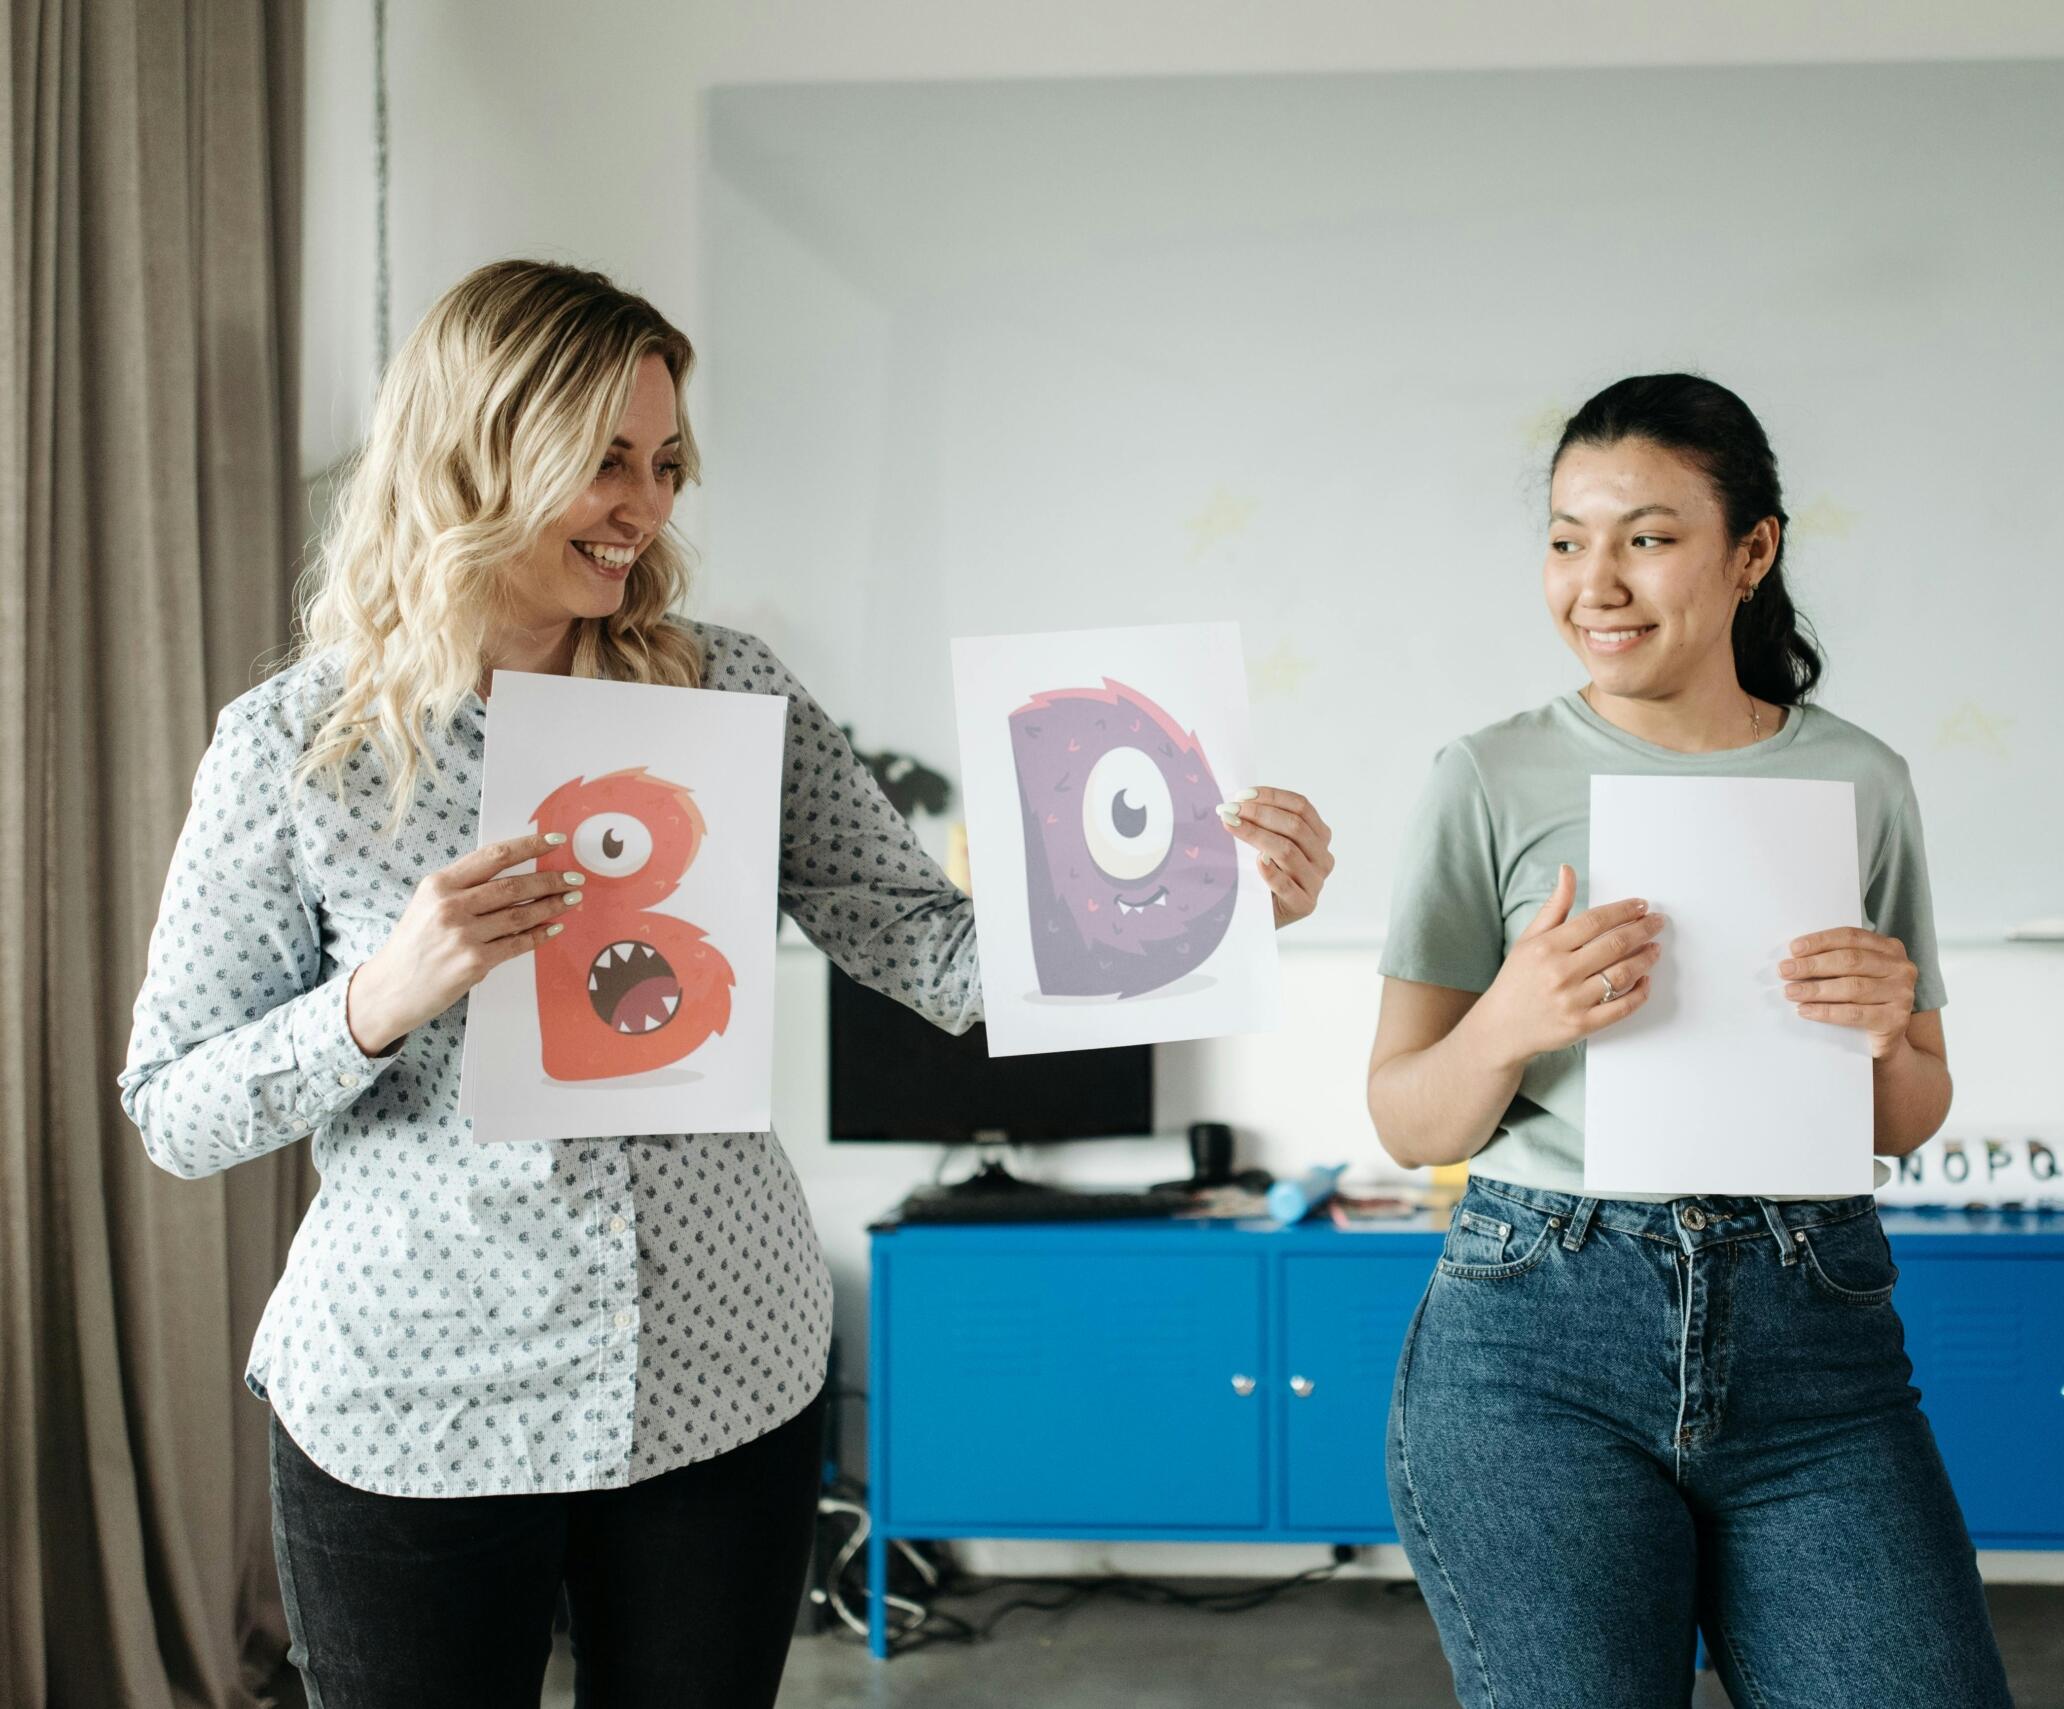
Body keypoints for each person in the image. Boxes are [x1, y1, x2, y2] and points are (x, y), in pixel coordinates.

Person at [118, 259, 1337, 1709]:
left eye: (667, 462)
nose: (648, 503)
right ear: (474, 452)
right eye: (605, 461)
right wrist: (383, 991)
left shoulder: (728, 694)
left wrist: (1206, 905)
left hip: (720, 1378)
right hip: (414, 1402)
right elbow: (172, 1109)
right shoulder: (294, 747)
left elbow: (929, 947)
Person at [1368, 373, 2012, 1708]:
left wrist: (1890, 1030)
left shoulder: (1863, 780)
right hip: (1537, 1331)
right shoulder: (1483, 778)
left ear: (1752, 552)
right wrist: (1512, 1017)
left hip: (1815, 1330)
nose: (1594, 581)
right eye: (1565, 537)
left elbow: (1909, 1110)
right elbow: (1409, 1117)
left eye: (1646, 537)